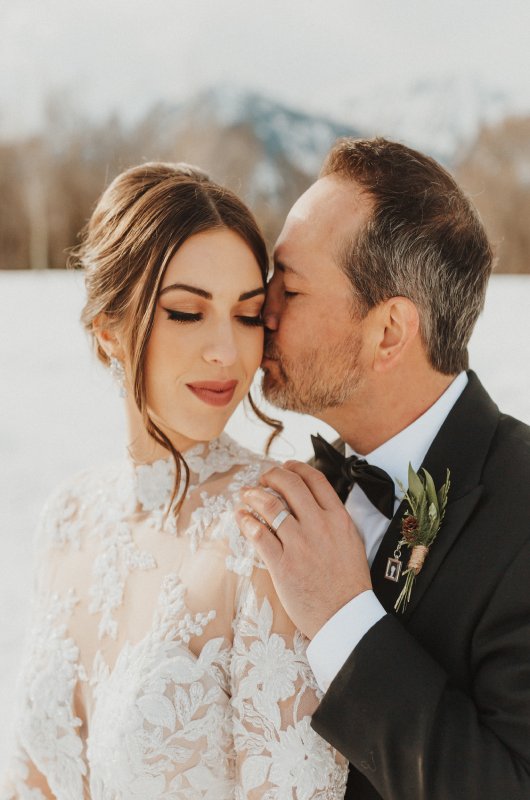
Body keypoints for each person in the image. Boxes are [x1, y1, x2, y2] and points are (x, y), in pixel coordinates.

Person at [1, 163, 348, 799]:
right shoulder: (67, 517)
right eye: (188, 312)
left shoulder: (271, 527)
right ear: (109, 330)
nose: (227, 351)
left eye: (247, 316)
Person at [237, 138, 530, 799]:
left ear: (390, 332)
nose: (264, 310)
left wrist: (343, 620)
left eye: (291, 286)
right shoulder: (296, 490)